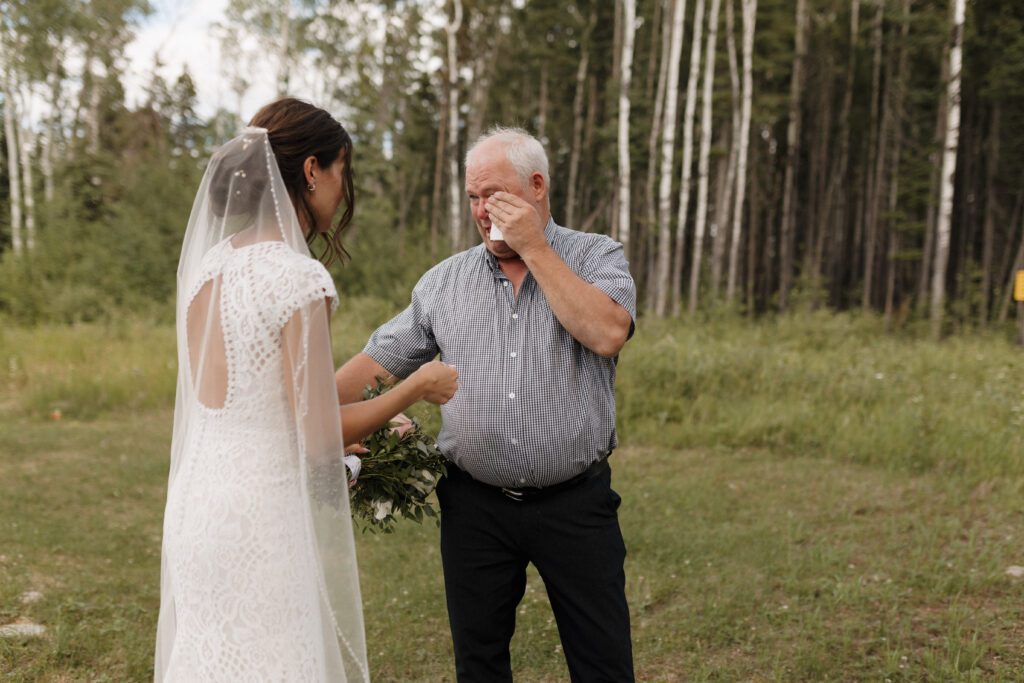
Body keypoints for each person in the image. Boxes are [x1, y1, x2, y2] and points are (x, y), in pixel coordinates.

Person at [155, 98, 458, 682]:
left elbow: (250, 399)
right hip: (262, 512)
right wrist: (415, 386)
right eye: (343, 172)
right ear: (313, 170)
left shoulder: (209, 268)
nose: (343, 191)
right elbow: (318, 437)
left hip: (198, 502)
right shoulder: (298, 277)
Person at [335, 127, 636, 682]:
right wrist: (347, 416)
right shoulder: (444, 282)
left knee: (603, 664)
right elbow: (360, 377)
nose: (480, 210)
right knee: (479, 665)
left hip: (577, 506)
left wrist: (535, 247)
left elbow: (607, 333)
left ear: (537, 186)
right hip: (475, 508)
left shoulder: (596, 256)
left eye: (492, 195)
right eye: (472, 197)